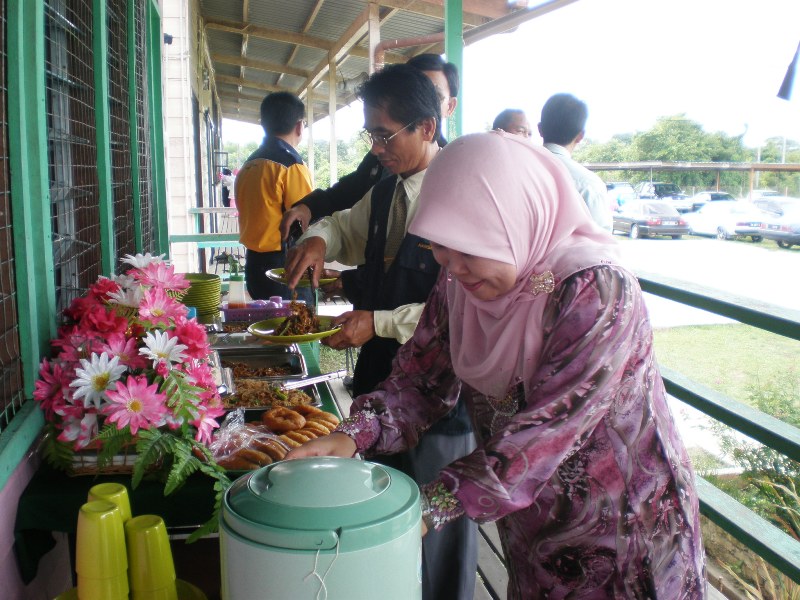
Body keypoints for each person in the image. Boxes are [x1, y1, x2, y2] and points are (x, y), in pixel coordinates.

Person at [287, 131, 707, 599]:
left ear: (517, 220)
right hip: (532, 528)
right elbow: (420, 380)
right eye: (439, 247)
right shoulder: (458, 284)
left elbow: (545, 433)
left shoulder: (594, 290)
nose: (454, 266)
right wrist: (354, 435)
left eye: (469, 247)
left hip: (624, 532)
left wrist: (427, 506)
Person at [284, 64, 478, 600]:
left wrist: (380, 322)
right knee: (385, 526)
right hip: (383, 390)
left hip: (442, 404)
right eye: (370, 134)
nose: (376, 148)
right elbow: (342, 224)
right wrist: (320, 240)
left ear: (427, 127)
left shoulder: (458, 199)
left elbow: (461, 311)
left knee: (438, 536)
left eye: (385, 135)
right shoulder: (386, 190)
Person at [278, 53, 459, 240]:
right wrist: (310, 209)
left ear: (450, 107)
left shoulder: (456, 182)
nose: (377, 148)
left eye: (433, 94)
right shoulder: (382, 173)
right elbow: (350, 195)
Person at [234, 91, 313, 303]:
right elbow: (306, 219)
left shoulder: (249, 164)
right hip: (283, 266)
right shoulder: (291, 165)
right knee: (297, 328)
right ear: (299, 126)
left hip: (254, 264)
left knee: (267, 327)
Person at [538, 93, 612, 230]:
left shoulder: (512, 173)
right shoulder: (589, 185)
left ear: (540, 129)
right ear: (580, 136)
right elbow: (600, 245)